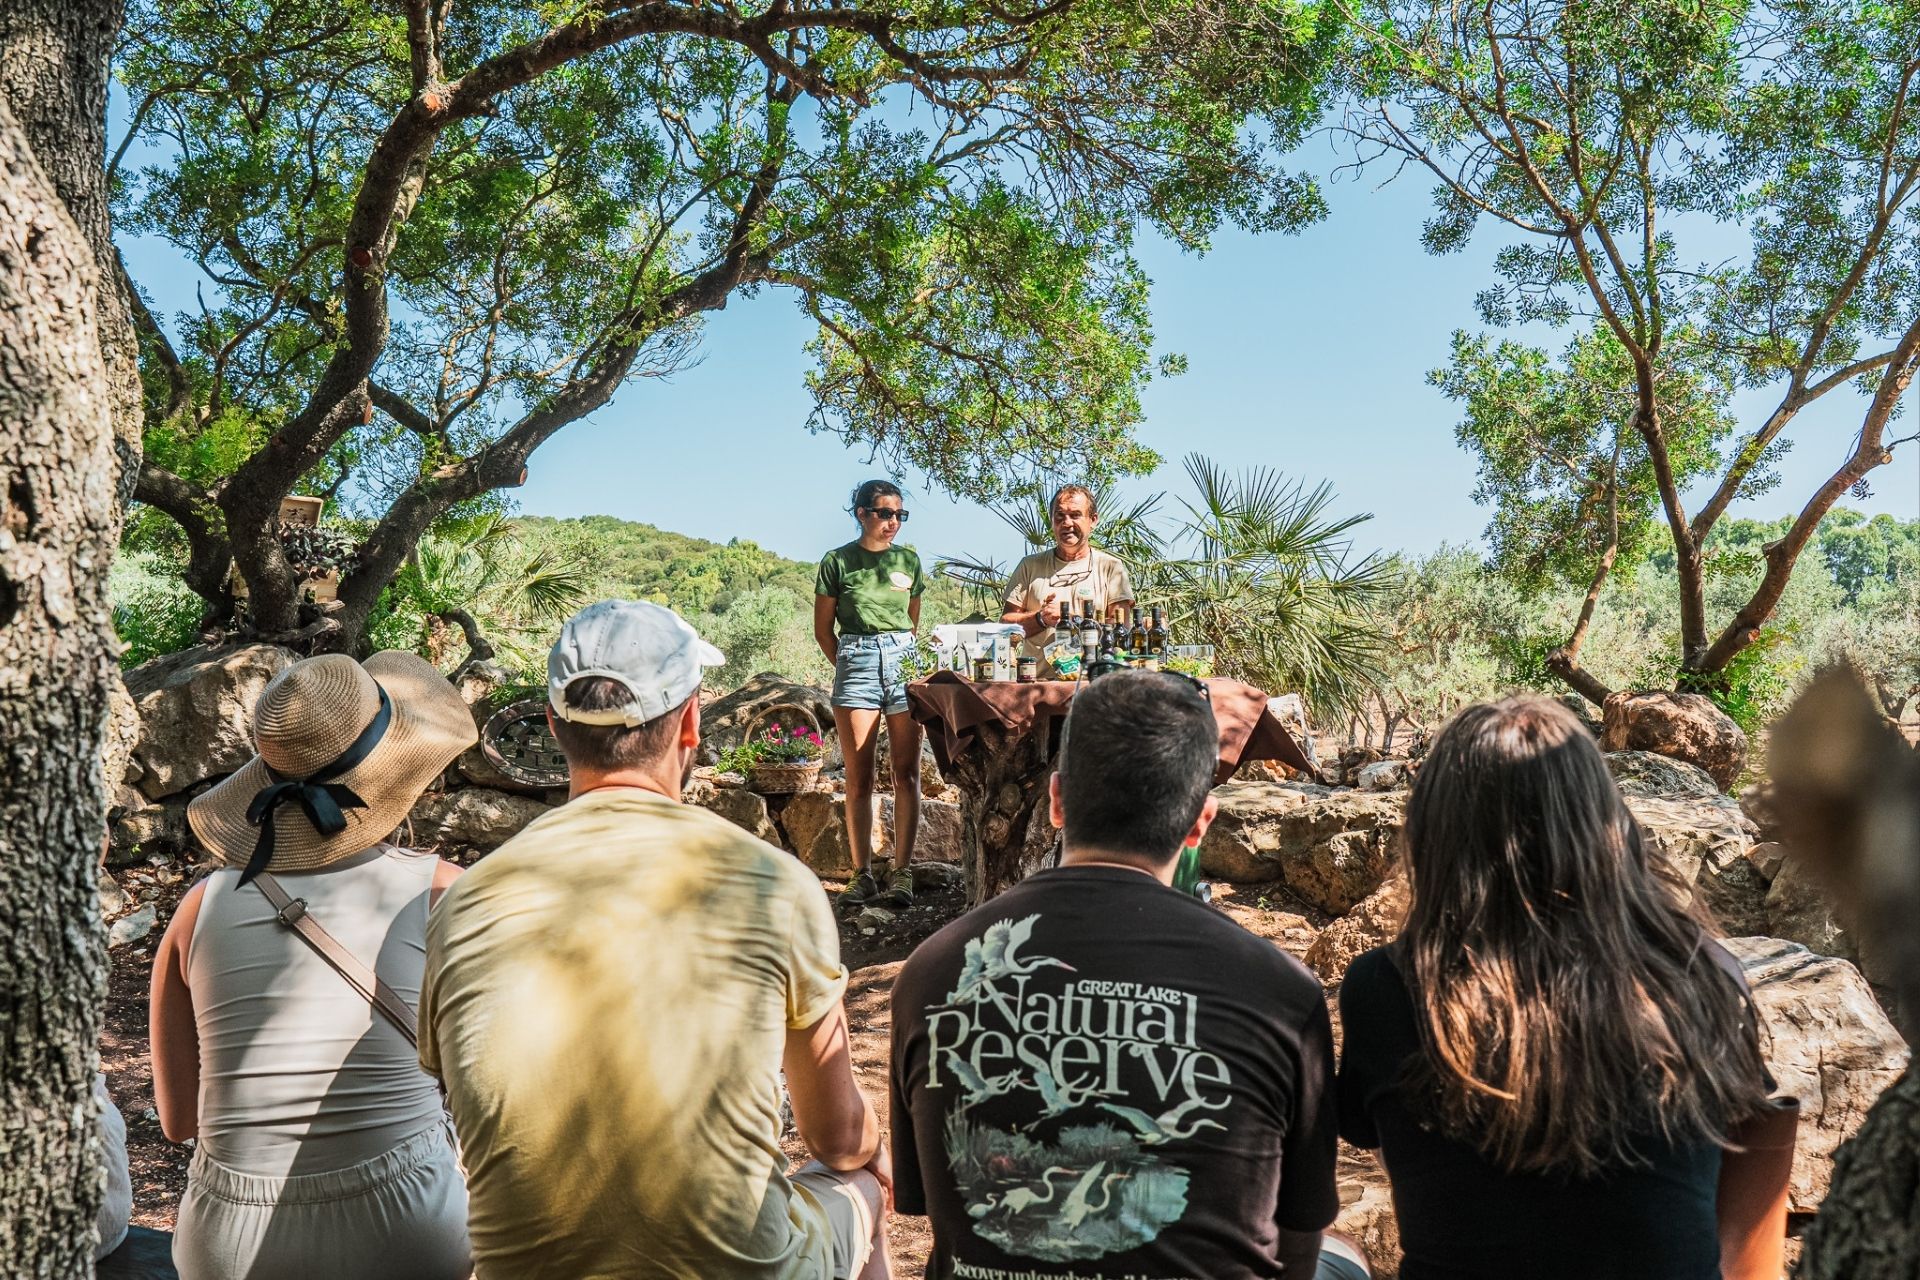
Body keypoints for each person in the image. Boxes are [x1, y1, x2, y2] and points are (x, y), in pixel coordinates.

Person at [419, 599, 893, 1280]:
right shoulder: (774, 883)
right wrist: (875, 1146)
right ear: (692, 721)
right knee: (863, 1185)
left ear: (554, 725)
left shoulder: (465, 901)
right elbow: (836, 1137)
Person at [889, 670, 1367, 1279]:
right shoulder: (1281, 993)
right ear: (1201, 823)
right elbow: (1297, 1243)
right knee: (1343, 1256)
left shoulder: (933, 971)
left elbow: (942, 1213)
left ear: (1057, 800)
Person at [1336, 697, 1776, 1280]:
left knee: (1333, 1250)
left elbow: (1419, 1179)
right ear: (1609, 824)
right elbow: (1746, 1197)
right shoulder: (1706, 976)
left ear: (1432, 833)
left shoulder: (1385, 987)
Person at [151, 652, 477, 1280]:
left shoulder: (198, 910)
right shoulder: (444, 894)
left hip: (228, 1239)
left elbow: (177, 1121)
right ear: (401, 769)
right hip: (406, 1224)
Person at [815, 479, 926, 911]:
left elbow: (912, 621)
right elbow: (824, 631)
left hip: (902, 660)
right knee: (859, 776)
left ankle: (902, 872)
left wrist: (899, 656)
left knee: (907, 772)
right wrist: (849, 664)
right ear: (861, 513)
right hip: (856, 660)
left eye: (899, 514)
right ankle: (862, 874)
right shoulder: (837, 561)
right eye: (884, 513)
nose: (893, 522)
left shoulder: (909, 560)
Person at [1001, 484, 1135, 661]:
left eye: (1075, 515)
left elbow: (1121, 632)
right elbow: (1004, 627)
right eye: (1060, 516)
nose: (1067, 523)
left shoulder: (1110, 567)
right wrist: (1041, 618)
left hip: (1091, 681)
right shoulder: (1029, 565)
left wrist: (1070, 619)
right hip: (1035, 683)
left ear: (1093, 520)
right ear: (1051, 520)